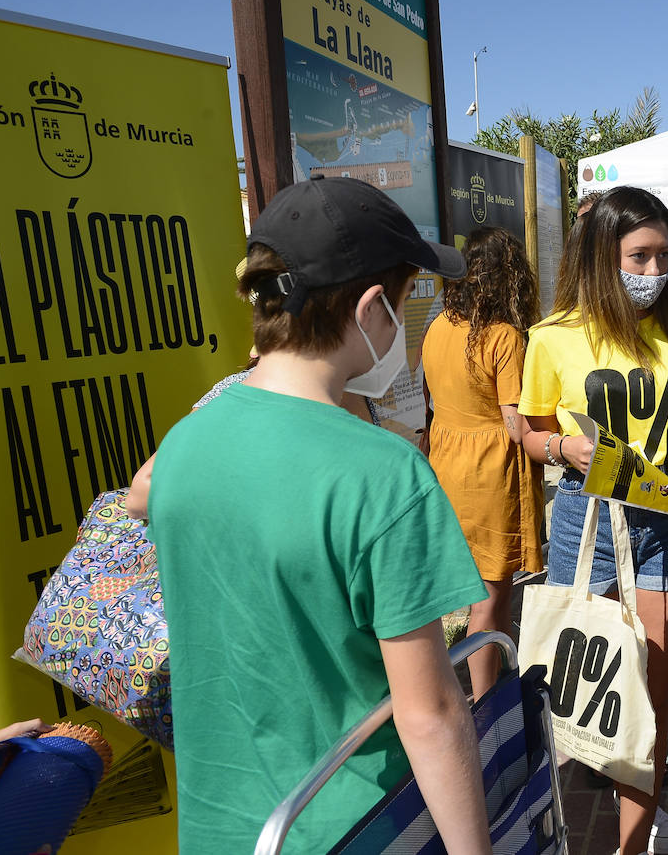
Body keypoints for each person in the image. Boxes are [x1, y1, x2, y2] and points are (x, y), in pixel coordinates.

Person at [147, 178, 491, 854]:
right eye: (402, 302)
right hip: (357, 825)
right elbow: (430, 714)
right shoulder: (382, 474)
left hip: (221, 830)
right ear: (370, 309)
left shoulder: (183, 445)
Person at [518, 185, 668, 855]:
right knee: (574, 687)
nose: (652, 272)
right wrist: (564, 448)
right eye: (638, 256)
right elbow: (529, 432)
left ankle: (631, 844)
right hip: (588, 519)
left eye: (663, 256)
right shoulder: (553, 339)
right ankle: (577, 792)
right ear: (600, 257)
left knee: (654, 694)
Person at [421, 226, 543, 700]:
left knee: (463, 584)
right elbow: (515, 424)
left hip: (447, 462)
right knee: (491, 597)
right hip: (490, 471)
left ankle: (459, 681)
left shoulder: (438, 327)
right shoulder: (504, 336)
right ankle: (488, 699)